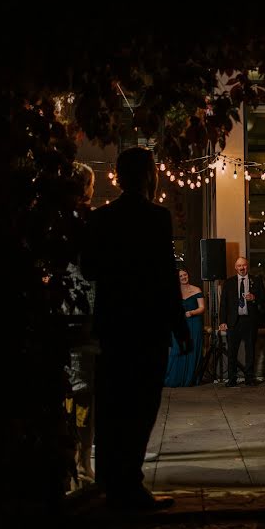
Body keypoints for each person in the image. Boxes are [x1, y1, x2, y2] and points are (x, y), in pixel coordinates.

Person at [81, 146, 190, 510]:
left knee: (112, 404)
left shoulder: (100, 219)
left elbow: (89, 269)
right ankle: (130, 482)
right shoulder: (156, 217)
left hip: (114, 323)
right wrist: (180, 327)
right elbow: (164, 275)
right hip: (147, 325)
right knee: (142, 404)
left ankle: (112, 481)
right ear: (149, 176)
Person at [64, 162, 99, 484]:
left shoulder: (48, 223)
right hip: (83, 319)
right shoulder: (89, 223)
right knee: (82, 392)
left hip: (62, 317)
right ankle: (81, 462)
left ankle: (75, 460)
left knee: (71, 394)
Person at [218, 257, 264, 387]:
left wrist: (254, 298)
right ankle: (232, 379)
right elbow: (224, 304)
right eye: (239, 266)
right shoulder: (228, 282)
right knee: (232, 351)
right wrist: (222, 321)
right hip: (234, 322)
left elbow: (263, 300)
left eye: (244, 265)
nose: (242, 268)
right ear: (235, 267)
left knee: (250, 351)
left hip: (250, 321)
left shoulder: (256, 280)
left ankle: (249, 378)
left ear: (247, 266)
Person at [164, 268, 205, 387]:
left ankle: (189, 379)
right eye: (180, 276)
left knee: (192, 350)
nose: (183, 277)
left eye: (185, 274)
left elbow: (202, 308)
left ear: (188, 275)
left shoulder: (196, 289)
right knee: (177, 350)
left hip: (194, 323)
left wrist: (192, 313)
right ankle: (175, 378)